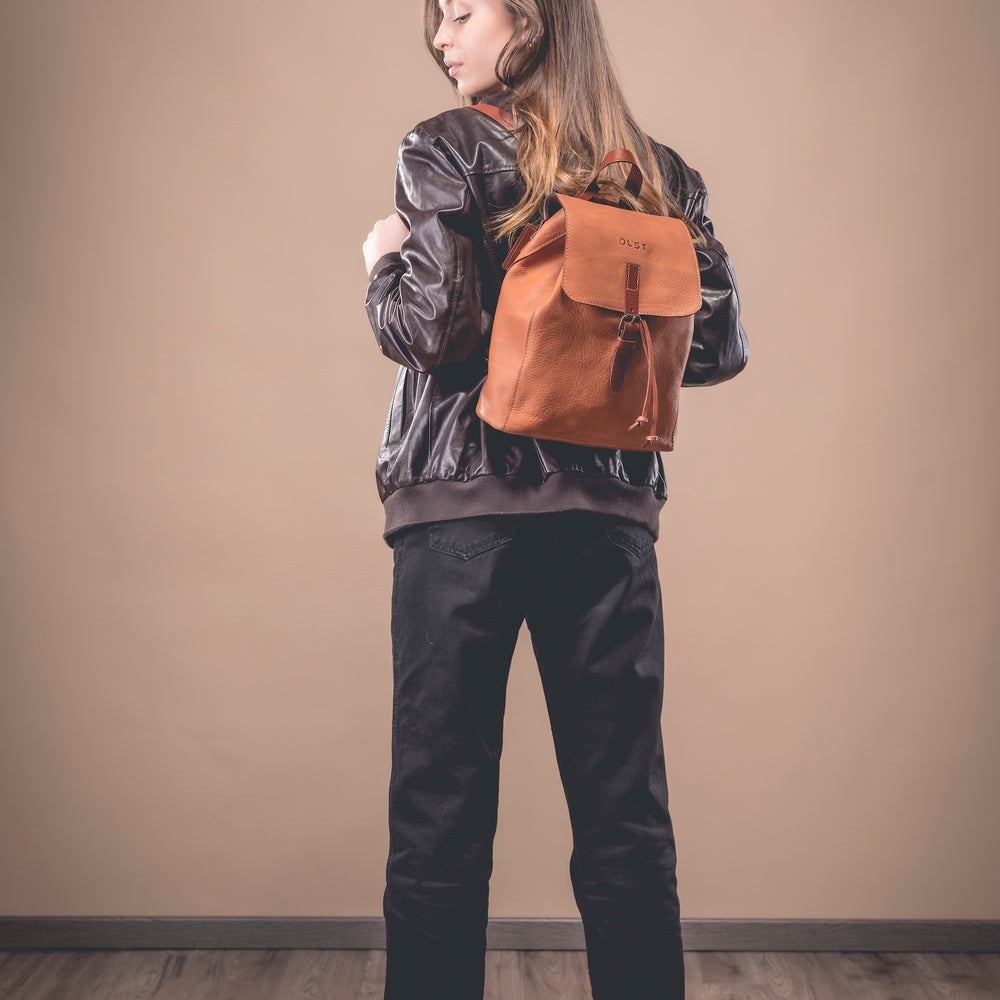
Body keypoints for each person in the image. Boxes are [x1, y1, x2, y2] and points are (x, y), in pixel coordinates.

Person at [362, 2, 747, 997]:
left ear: (531, 17)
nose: (442, 37)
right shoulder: (657, 174)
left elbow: (433, 329)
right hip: (605, 520)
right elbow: (713, 344)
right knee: (624, 823)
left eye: (460, 11)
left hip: (458, 513)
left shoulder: (443, 146)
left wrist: (379, 263)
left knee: (438, 826)